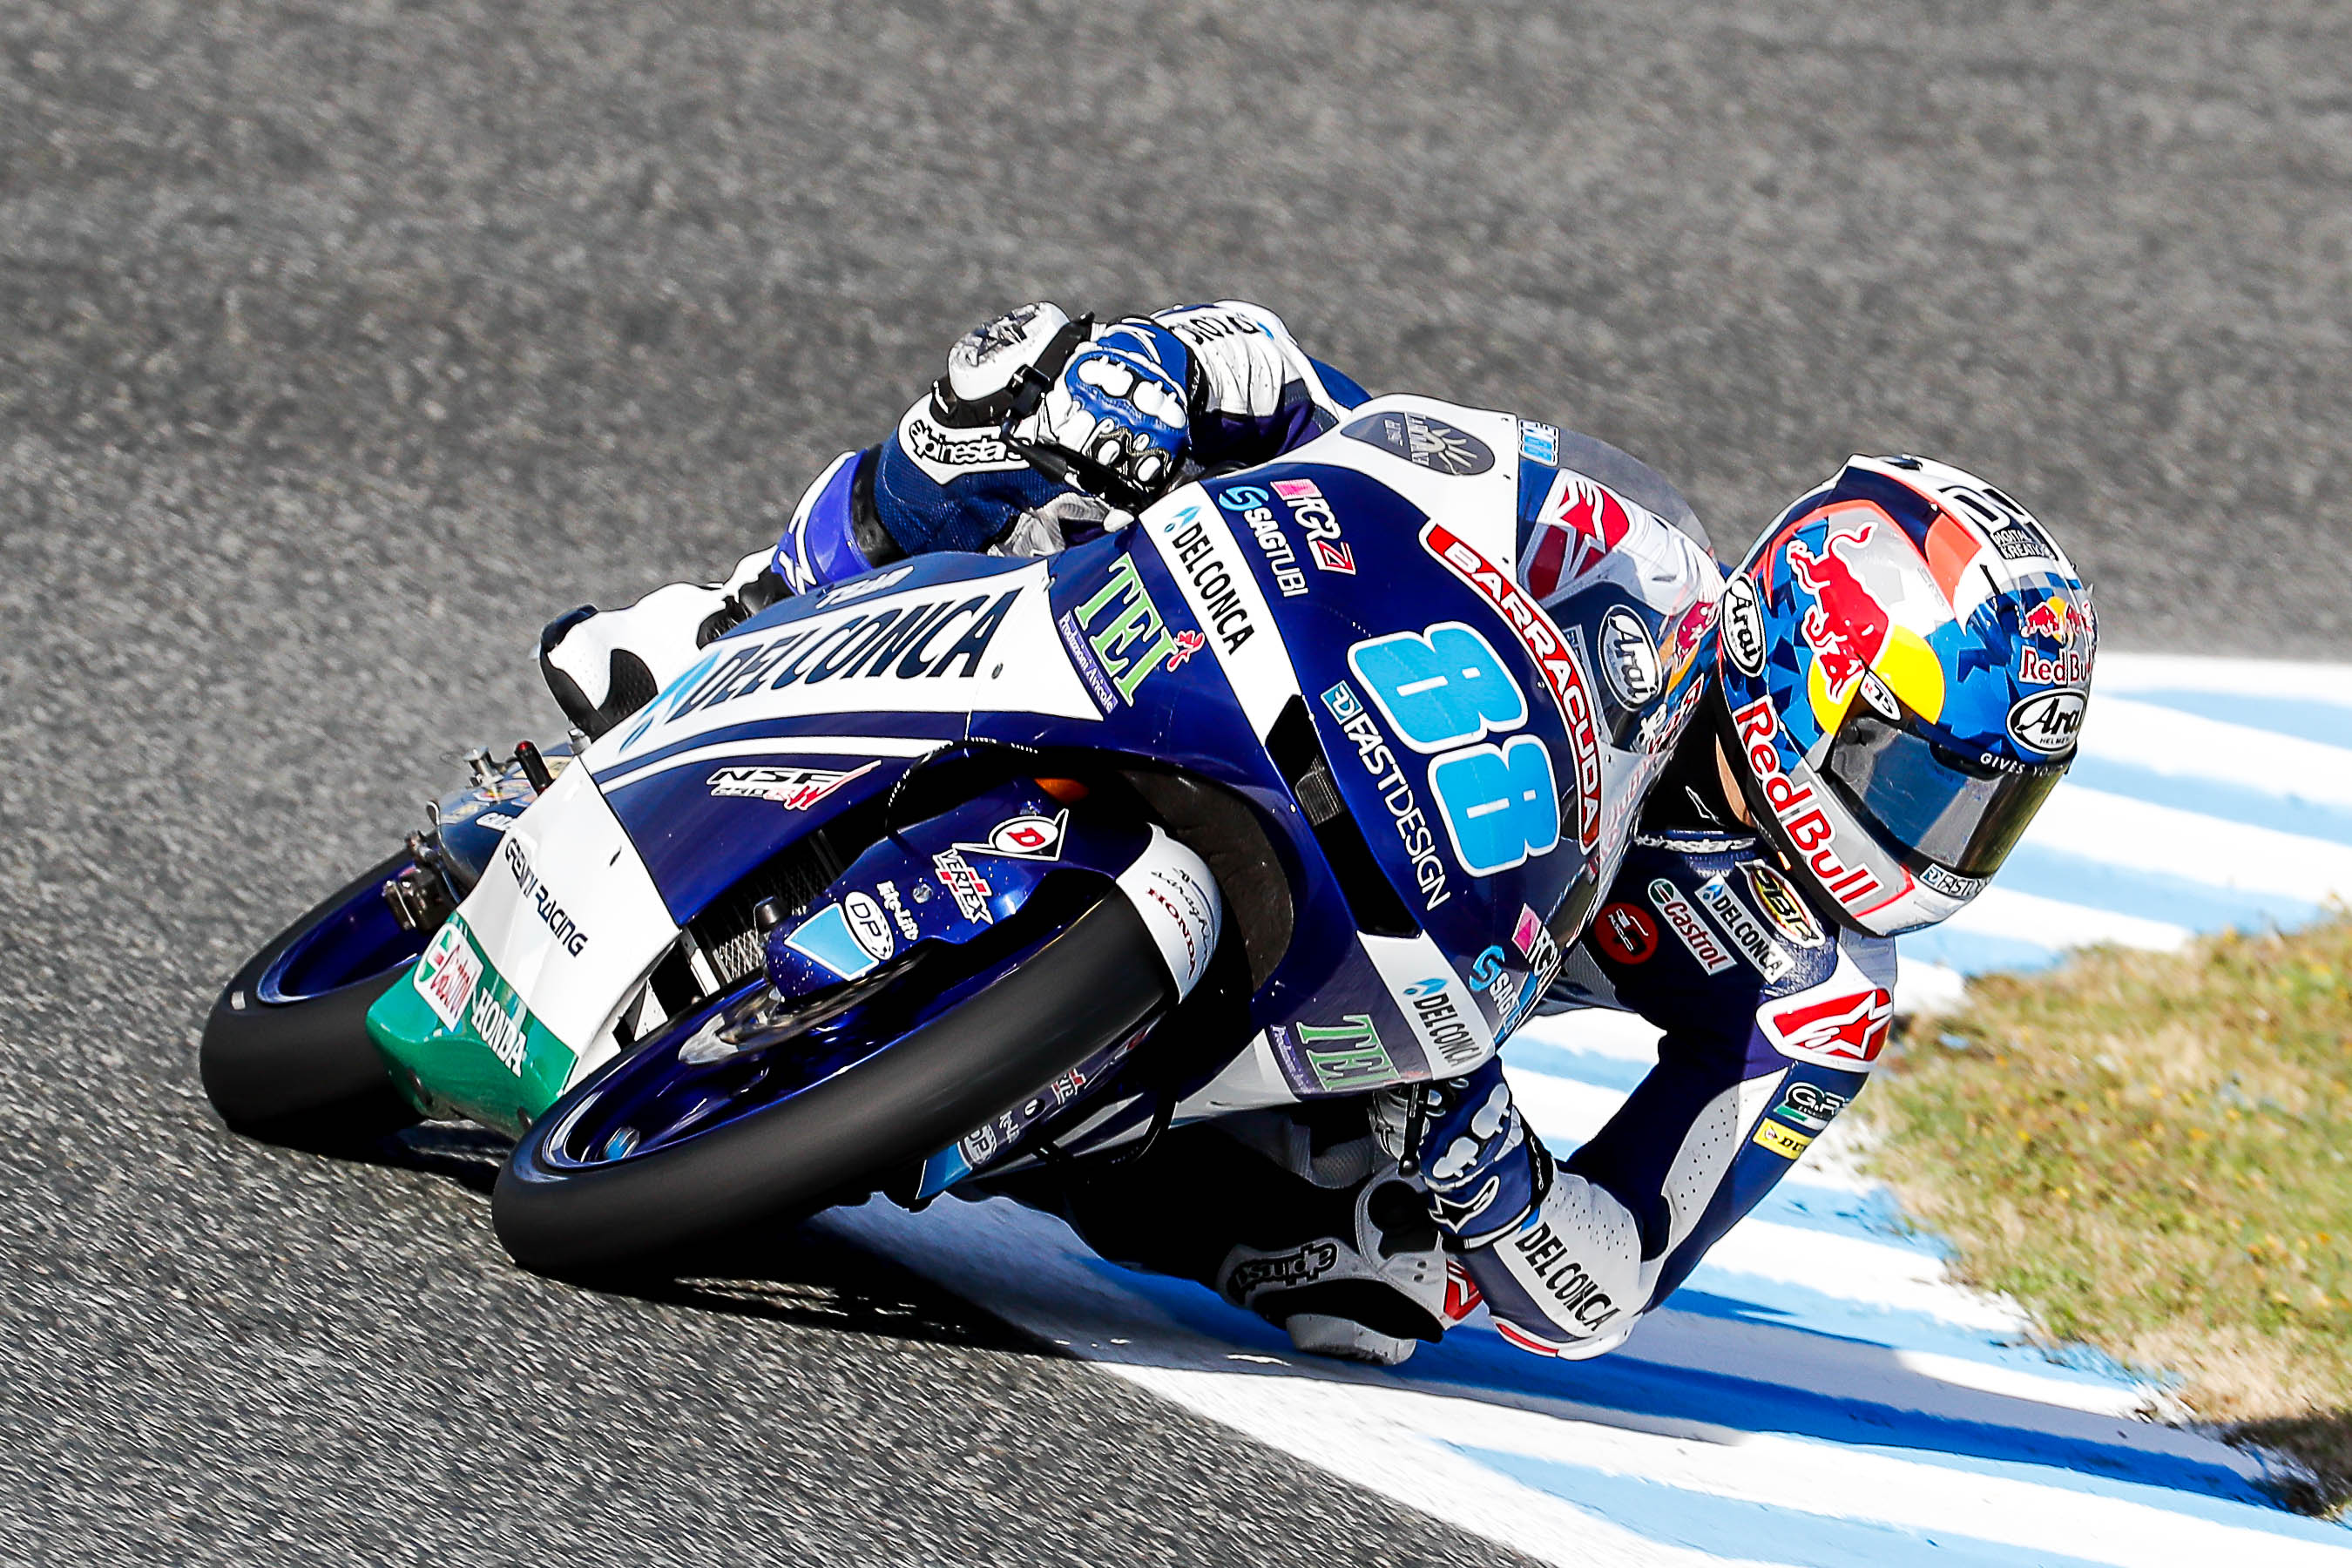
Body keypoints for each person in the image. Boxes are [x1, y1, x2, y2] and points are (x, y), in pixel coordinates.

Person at [541, 302, 2098, 1366]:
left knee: (1387, 1279)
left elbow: (1610, 1285)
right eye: (1922, 782)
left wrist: (1500, 1182)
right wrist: (1173, 368)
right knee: (1023, 381)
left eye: (1989, 809)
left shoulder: (1819, 992)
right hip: (1257, 694)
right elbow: (1328, 407)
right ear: (1817, 656)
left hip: (1390, 1023)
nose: (1941, 841)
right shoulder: (1623, 546)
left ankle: (980, 1110)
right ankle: (731, 622)